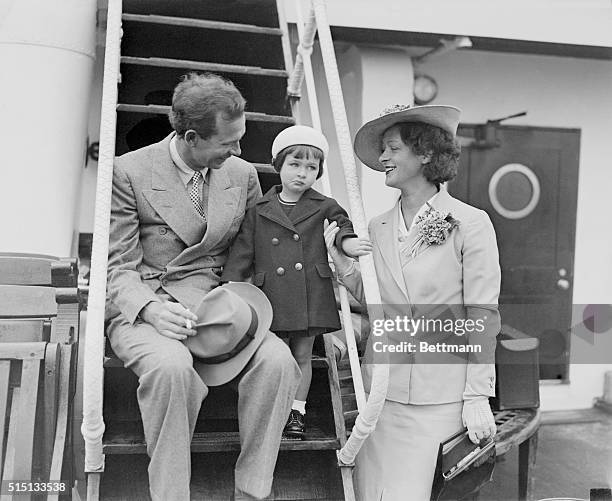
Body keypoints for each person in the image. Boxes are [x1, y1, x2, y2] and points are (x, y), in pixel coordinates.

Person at [105, 72, 300, 501]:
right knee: (173, 368)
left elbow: (246, 254)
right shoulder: (128, 172)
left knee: (279, 362)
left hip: (215, 303)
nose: (238, 150)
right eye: (228, 143)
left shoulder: (243, 175)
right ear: (191, 137)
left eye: (240, 138)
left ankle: (252, 491)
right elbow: (117, 266)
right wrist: (153, 310)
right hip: (147, 306)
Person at [324, 104, 501, 500]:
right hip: (381, 395)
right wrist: (344, 270)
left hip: (440, 398)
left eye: (392, 149)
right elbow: (380, 304)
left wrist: (477, 394)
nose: (383, 158)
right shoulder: (376, 226)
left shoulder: (470, 223)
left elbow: (482, 314)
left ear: (425, 154)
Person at [221, 125, 371, 439]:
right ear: (278, 165)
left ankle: (296, 412)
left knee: (302, 354)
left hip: (308, 293)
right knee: (272, 355)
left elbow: (341, 225)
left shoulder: (324, 205)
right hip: (271, 294)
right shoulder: (260, 209)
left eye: (311, 167)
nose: (302, 173)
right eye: (294, 164)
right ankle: (269, 409)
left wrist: (347, 243)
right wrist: (229, 289)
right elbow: (242, 253)